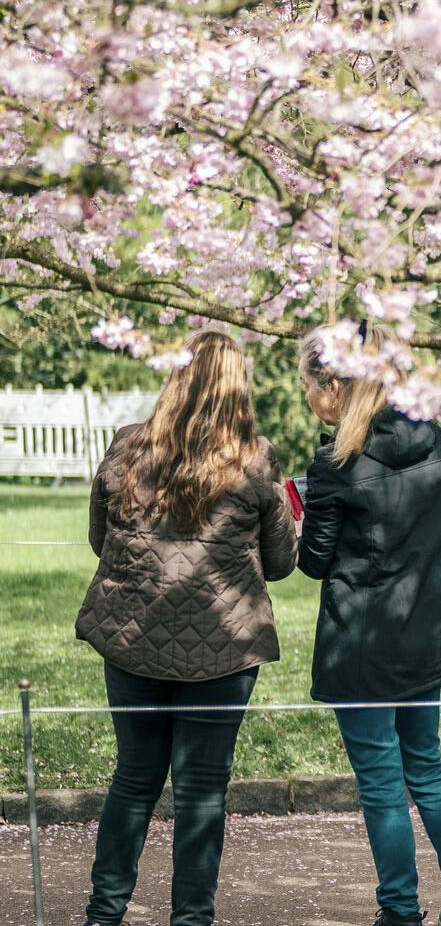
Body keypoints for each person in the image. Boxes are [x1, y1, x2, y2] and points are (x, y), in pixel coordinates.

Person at [75, 331, 297, 926]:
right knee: (202, 794)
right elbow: (279, 563)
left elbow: (101, 542)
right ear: (237, 391)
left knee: (133, 781)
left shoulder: (127, 448)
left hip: (131, 638)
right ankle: (191, 919)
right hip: (222, 648)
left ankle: (104, 913)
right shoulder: (255, 458)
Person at [299, 324, 441, 926]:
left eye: (309, 384)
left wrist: (296, 514)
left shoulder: (336, 464)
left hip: (361, 637)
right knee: (426, 767)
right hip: (422, 624)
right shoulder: (439, 445)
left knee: (382, 783)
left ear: (333, 385)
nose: (307, 397)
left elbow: (312, 562)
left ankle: (400, 910)